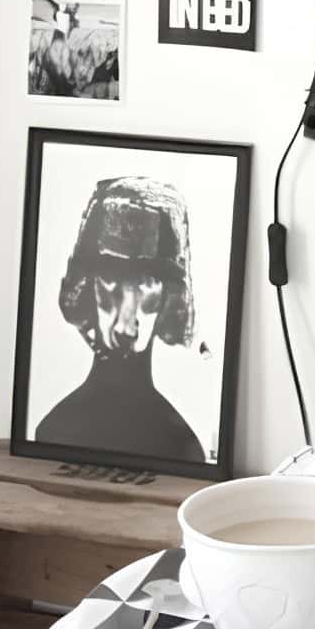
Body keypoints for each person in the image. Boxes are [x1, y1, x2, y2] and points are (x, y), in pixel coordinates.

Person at [36, 175, 205, 463]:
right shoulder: (53, 432)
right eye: (112, 278)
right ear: (88, 285)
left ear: (168, 296)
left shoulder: (181, 448)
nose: (126, 320)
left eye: (146, 283)